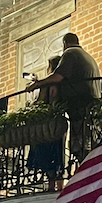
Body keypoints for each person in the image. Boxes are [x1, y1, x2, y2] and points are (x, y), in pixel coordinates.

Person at [31, 31, 102, 161]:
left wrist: (38, 84)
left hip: (79, 104)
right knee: (86, 140)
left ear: (65, 43)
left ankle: (82, 167)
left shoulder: (70, 53)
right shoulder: (88, 57)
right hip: (92, 104)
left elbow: (58, 77)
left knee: (79, 143)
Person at [27, 55, 66, 188]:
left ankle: (50, 186)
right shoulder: (63, 84)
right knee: (58, 155)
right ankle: (60, 186)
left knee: (47, 154)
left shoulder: (47, 84)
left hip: (47, 123)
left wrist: (31, 104)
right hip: (59, 124)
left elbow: (41, 102)